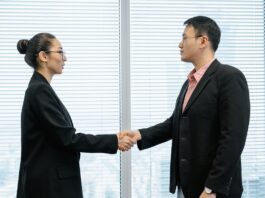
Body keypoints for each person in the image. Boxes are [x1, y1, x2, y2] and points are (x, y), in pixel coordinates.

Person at [120, 16, 250, 198]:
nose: (180, 44)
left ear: (203, 41)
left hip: (212, 191)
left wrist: (211, 188)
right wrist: (140, 134)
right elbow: (175, 123)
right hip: (188, 186)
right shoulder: (189, 83)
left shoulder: (229, 78)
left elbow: (233, 139)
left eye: (184, 38)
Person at [16, 33, 134, 198]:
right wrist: (114, 140)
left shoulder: (41, 89)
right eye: (60, 52)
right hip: (49, 188)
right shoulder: (39, 91)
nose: (65, 58)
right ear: (44, 56)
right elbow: (68, 138)